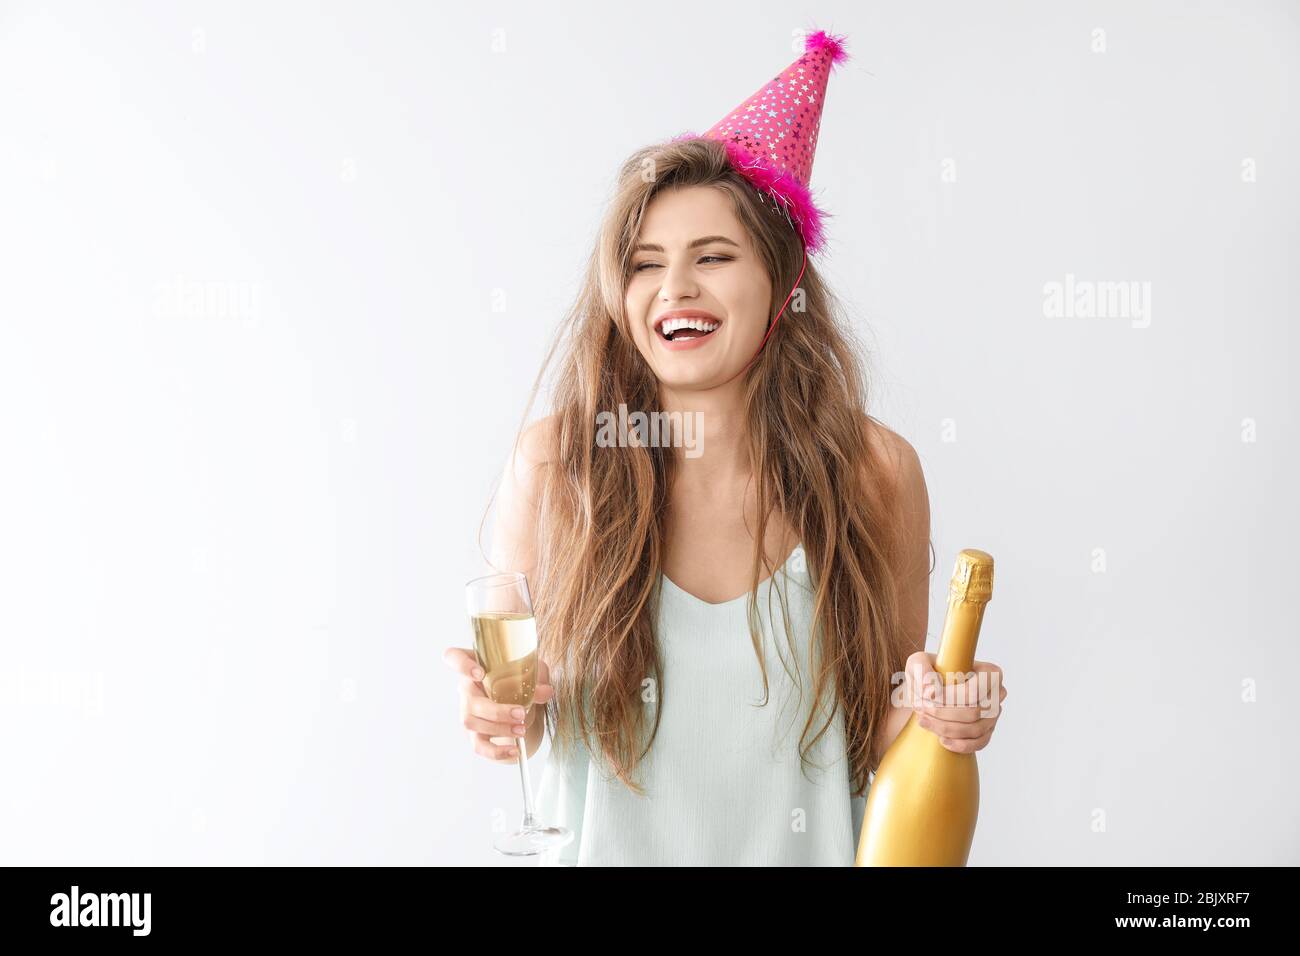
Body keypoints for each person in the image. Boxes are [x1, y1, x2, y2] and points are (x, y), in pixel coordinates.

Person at [445, 29, 1007, 865]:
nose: (675, 288)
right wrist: (501, 715)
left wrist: (944, 709)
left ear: (782, 284)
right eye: (644, 265)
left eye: (713, 257)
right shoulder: (558, 463)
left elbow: (880, 732)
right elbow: (526, 720)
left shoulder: (874, 473)